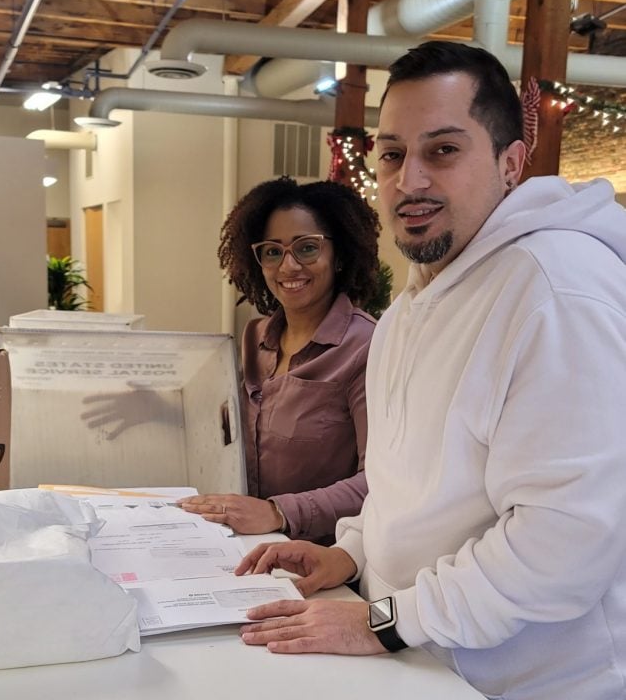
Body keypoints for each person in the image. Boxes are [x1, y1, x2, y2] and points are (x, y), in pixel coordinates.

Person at [234, 41, 626, 700]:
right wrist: (348, 554)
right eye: (392, 154)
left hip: (532, 683)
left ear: (510, 162)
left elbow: (564, 545)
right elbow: (401, 487)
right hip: (425, 664)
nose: (409, 180)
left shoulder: (557, 290)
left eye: (442, 150)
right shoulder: (416, 302)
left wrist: (388, 622)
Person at [179, 178, 381, 544]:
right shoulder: (255, 337)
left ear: (340, 256)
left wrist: (277, 512)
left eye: (306, 248)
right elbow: (227, 428)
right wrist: (157, 408)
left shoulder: (366, 347)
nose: (288, 266)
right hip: (247, 545)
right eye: (272, 252)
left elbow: (379, 483)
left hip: (324, 560)